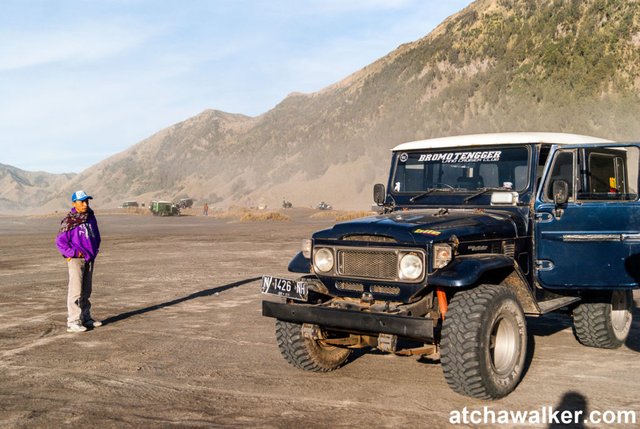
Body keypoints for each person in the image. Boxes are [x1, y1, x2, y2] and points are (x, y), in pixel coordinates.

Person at [55, 190, 102, 333]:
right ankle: (73, 321)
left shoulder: (90, 218)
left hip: (89, 258)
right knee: (75, 290)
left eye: (86, 201)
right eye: (81, 201)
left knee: (86, 290)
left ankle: (85, 318)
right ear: (74, 203)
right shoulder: (70, 220)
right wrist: (73, 253)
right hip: (76, 260)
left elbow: (97, 236)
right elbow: (60, 242)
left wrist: (94, 250)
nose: (85, 204)